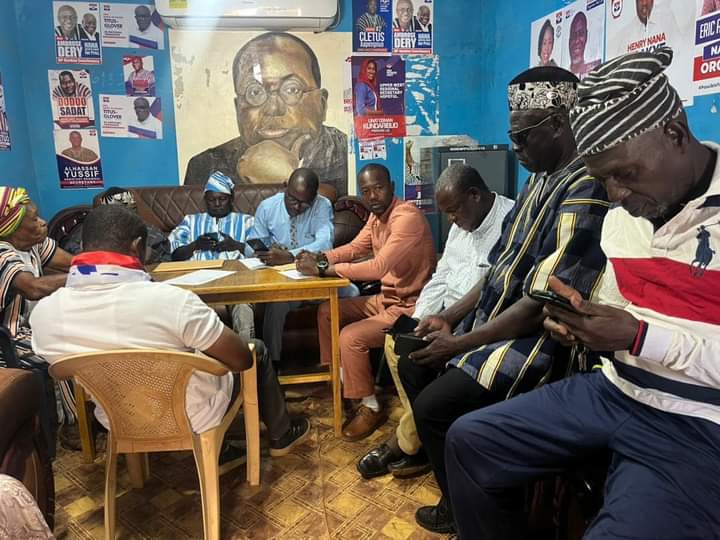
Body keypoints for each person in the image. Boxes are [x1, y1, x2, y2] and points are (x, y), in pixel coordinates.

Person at [446, 47, 720, 540]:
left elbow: (640, 332)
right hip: (615, 389)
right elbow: (618, 310)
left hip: (698, 421)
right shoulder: (623, 220)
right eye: (602, 179)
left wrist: (639, 337)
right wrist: (582, 324)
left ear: (675, 134)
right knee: (470, 440)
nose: (615, 196)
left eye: (625, 174)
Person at [397, 66, 610, 534]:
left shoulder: (586, 187)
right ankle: (458, 495)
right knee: (412, 362)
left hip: (533, 342)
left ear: (559, 124)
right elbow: (498, 268)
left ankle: (474, 509)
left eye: (522, 136)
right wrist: (449, 317)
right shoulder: (537, 181)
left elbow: (542, 303)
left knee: (434, 408)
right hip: (490, 322)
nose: (515, 148)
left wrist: (461, 343)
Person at [31, 205, 310, 460]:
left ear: (82, 247)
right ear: (137, 247)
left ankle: (214, 449)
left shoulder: (46, 315)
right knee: (255, 349)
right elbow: (241, 360)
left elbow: (65, 370)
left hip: (118, 419)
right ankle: (280, 435)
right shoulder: (174, 301)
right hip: (191, 414)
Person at [356, 164, 515, 480]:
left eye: (454, 211)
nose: (451, 219)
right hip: (446, 315)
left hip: (478, 324)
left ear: (475, 195)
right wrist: (421, 319)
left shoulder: (510, 221)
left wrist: (448, 321)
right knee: (398, 344)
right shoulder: (461, 222)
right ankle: (423, 440)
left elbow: (493, 291)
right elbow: (441, 276)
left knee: (415, 364)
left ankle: (409, 443)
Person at [296, 164, 436, 441]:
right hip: (387, 298)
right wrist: (319, 257)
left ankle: (370, 406)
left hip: (411, 305)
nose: (372, 196)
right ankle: (340, 381)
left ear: (392, 187)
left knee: (351, 337)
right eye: (366, 191)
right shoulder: (376, 217)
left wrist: (323, 269)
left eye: (379, 188)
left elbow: (377, 267)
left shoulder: (406, 217)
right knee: (327, 311)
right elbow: (354, 248)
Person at [184, 32, 348, 196]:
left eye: (292, 89)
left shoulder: (346, 153)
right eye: (255, 92)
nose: (273, 108)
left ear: (321, 104)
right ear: (238, 108)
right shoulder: (207, 166)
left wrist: (288, 177)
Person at [0, 187, 74, 456]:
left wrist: (102, 265)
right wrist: (86, 276)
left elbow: (73, 263)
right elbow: (33, 287)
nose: (42, 223)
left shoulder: (33, 245)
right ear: (11, 227)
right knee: (65, 354)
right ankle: (74, 427)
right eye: (33, 219)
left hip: (32, 327)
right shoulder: (2, 253)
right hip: (8, 338)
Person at [247, 168, 334, 365]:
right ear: (285, 187)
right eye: (293, 199)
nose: (297, 207)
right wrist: (267, 251)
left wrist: (289, 256)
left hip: (315, 276)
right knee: (276, 304)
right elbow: (251, 245)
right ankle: (272, 365)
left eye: (305, 203)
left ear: (314, 196)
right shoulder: (267, 207)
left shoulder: (322, 205)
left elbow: (325, 243)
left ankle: (337, 363)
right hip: (282, 281)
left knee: (352, 291)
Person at [169, 171, 255, 340]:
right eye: (211, 200)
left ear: (231, 199)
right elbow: (174, 254)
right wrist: (195, 245)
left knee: (243, 305)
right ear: (205, 200)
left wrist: (236, 245)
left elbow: (261, 254)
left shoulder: (247, 221)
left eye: (222, 199)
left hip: (236, 284)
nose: (217, 204)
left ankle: (246, 351)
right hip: (198, 285)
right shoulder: (190, 221)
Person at [568, 12, 600, 79]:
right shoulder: (561, 77)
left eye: (581, 33)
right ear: (569, 39)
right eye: (574, 35)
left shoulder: (594, 71)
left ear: (586, 36)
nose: (577, 40)